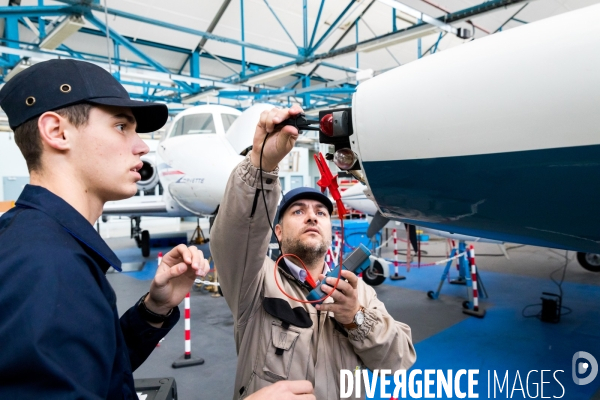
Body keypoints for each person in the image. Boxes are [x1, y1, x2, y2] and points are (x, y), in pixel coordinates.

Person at [211, 105, 416, 399]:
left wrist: (354, 317)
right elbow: (236, 232)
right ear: (278, 232)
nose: (312, 217)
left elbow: (398, 361)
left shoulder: (357, 293)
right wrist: (260, 164)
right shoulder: (255, 282)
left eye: (321, 212)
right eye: (298, 211)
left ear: (330, 230)